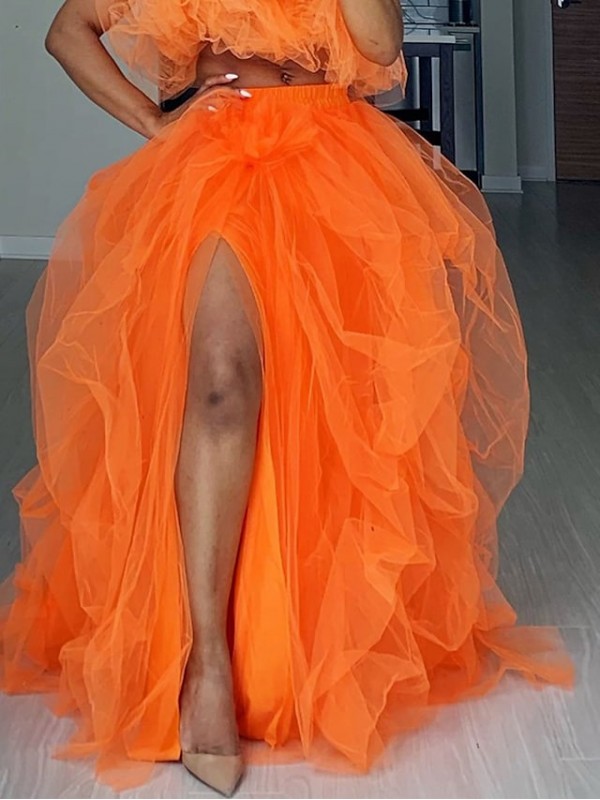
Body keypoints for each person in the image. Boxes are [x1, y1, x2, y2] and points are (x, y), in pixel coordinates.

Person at [0, 0, 574, 796]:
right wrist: (154, 123)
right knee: (219, 384)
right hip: (217, 157)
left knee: (330, 407)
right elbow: (68, 31)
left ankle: (292, 642)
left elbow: (380, 45)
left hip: (332, 159)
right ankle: (206, 663)